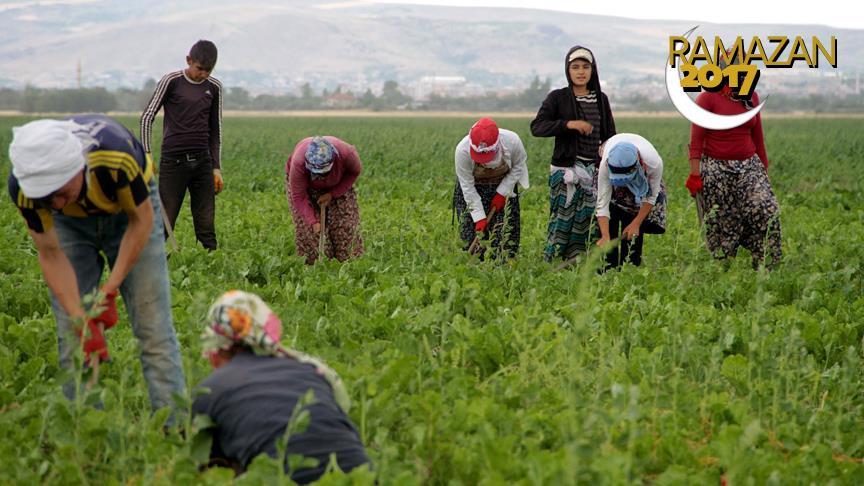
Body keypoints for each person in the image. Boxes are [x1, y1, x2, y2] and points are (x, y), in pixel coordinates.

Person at [7, 114, 186, 415]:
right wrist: (81, 319)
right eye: (47, 199)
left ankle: (176, 427)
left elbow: (141, 222)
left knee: (153, 327)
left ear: (78, 167)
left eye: (61, 192)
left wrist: (110, 290)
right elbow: (50, 254)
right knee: (72, 335)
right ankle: (86, 432)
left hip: (130, 213)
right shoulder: (27, 190)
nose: (57, 204)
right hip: (70, 228)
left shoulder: (116, 157)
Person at [193, 290, 372, 483]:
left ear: (216, 348)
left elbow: (201, 461)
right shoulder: (310, 370)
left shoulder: (210, 389)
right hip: (360, 476)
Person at [687, 54, 780, 269]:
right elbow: (697, 138)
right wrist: (694, 174)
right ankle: (723, 268)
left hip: (749, 164)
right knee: (725, 219)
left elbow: (758, 137)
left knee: (765, 209)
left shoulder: (751, 97)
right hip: (717, 166)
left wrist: (764, 173)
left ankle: (766, 265)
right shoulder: (707, 98)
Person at [531, 46, 616, 262]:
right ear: (568, 71)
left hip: (593, 171)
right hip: (566, 169)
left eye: (585, 67)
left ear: (593, 70)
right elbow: (537, 127)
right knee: (562, 218)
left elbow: (610, 135)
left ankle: (577, 263)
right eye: (575, 67)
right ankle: (552, 262)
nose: (581, 72)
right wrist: (568, 124)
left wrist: (605, 147)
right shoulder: (558, 98)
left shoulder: (601, 99)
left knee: (586, 220)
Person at [140, 39, 223, 250]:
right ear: (189, 60)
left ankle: (210, 262)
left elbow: (216, 130)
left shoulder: (214, 87)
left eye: (208, 70)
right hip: (173, 162)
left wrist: (216, 167)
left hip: (203, 162)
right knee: (165, 219)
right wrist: (146, 155)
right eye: (199, 69)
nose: (203, 74)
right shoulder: (172, 81)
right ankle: (153, 262)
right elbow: (147, 117)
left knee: (206, 221)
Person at [453, 118, 529, 259]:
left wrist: (502, 192)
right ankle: (475, 265)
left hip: (503, 184)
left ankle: (503, 265)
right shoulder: (462, 151)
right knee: (471, 233)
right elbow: (467, 186)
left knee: (504, 232)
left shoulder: (512, 141)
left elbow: (518, 166)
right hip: (473, 188)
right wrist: (479, 217)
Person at [286, 136, 364, 265]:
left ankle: (349, 267)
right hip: (305, 189)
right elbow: (298, 197)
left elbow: (354, 172)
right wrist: (313, 222)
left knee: (345, 226)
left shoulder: (347, 154)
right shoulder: (298, 162)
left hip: (337, 184)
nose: (320, 177)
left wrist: (333, 194)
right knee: (312, 233)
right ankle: (319, 268)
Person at [595, 133, 667, 269]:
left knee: (633, 228)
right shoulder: (606, 164)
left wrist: (636, 223)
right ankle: (607, 269)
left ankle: (630, 269)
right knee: (611, 219)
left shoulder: (653, 163)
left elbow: (651, 196)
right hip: (611, 190)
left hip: (643, 185)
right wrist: (605, 235)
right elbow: (602, 203)